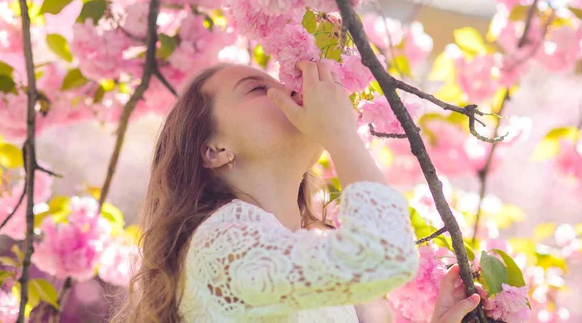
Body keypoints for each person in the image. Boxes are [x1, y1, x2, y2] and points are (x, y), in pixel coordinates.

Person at [110, 61, 482, 323]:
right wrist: (340, 134)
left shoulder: (295, 254)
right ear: (215, 150)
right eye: (257, 89)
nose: (287, 90)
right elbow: (382, 255)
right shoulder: (220, 243)